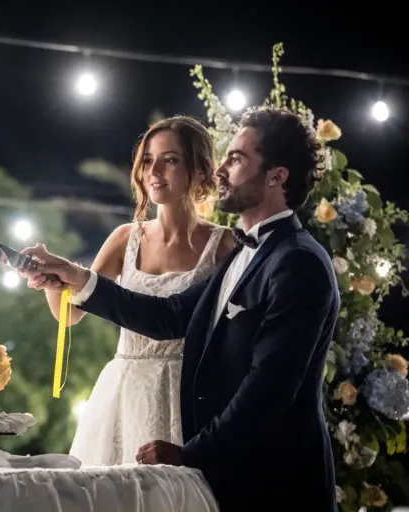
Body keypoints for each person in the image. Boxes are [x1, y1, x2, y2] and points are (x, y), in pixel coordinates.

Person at [20, 105, 338, 512]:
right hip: (233, 471)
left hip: (276, 482)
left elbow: (269, 389)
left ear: (277, 176)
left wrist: (190, 453)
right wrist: (76, 277)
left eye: (237, 159)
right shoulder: (247, 252)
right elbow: (167, 316)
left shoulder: (298, 261)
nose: (220, 169)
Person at [40, 116, 234, 465]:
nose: (154, 170)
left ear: (197, 168)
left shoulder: (224, 245)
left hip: (187, 394)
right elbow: (69, 314)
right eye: (148, 160)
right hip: (123, 390)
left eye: (170, 159)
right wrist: (50, 282)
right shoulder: (125, 238)